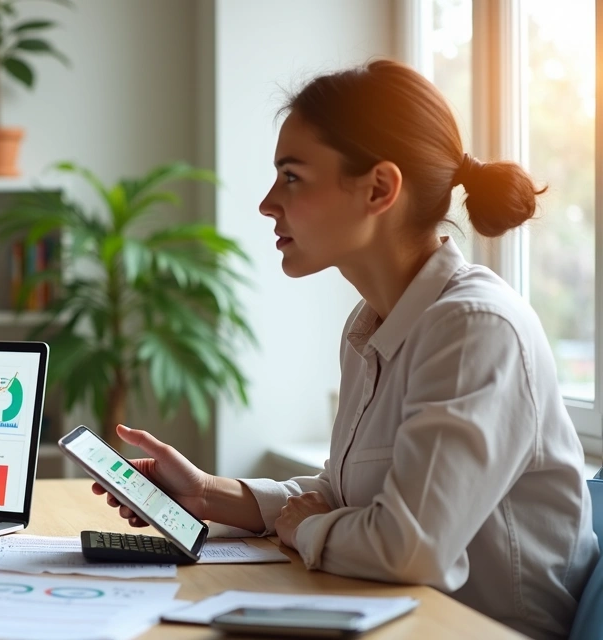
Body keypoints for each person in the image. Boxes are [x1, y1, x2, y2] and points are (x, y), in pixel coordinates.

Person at [93, 59, 598, 640]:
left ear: (380, 188)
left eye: (291, 177)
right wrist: (207, 494)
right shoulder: (371, 324)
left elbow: (412, 550)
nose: (266, 203)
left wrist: (309, 530)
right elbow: (342, 494)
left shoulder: (473, 329)